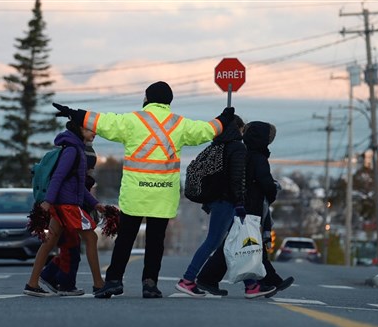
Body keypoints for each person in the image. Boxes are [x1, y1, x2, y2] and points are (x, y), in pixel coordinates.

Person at [53, 81, 234, 299]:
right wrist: (224, 117)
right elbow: (205, 131)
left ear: (147, 98)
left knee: (126, 238)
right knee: (156, 241)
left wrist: (73, 113)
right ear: (169, 101)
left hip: (135, 192)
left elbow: (103, 122)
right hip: (163, 193)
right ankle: (150, 284)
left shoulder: (133, 121)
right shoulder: (179, 124)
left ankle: (113, 281)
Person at [196, 121, 293, 299]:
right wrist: (272, 191)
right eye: (269, 137)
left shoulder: (244, 153)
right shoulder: (259, 158)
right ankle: (268, 281)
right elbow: (265, 183)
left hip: (240, 204)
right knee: (249, 244)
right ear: (262, 139)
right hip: (251, 207)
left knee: (235, 243)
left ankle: (208, 278)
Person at [24, 121, 105, 297]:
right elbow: (58, 177)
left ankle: (32, 283)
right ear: (80, 128)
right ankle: (99, 284)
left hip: (61, 203)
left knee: (48, 243)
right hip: (66, 205)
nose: (95, 133)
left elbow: (78, 186)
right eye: (92, 130)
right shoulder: (72, 151)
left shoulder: (75, 148)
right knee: (91, 237)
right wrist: (48, 201)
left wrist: (94, 203)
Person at [175, 114, 247, 297]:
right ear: (237, 129)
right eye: (242, 129)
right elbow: (236, 178)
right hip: (226, 202)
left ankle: (253, 284)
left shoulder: (216, 146)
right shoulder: (237, 148)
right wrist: (239, 202)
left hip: (217, 200)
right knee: (213, 242)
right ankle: (187, 279)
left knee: (237, 240)